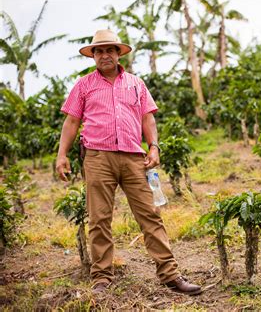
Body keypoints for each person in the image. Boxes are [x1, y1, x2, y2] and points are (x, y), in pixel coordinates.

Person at [56, 29, 201, 296]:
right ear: (93, 56)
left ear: (118, 53)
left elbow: (148, 118)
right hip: (98, 158)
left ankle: (170, 275)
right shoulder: (84, 85)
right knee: (99, 219)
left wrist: (154, 146)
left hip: (134, 158)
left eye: (109, 50)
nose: (104, 55)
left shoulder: (136, 84)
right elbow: (72, 121)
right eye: (99, 51)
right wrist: (62, 155)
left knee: (150, 216)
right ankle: (102, 278)